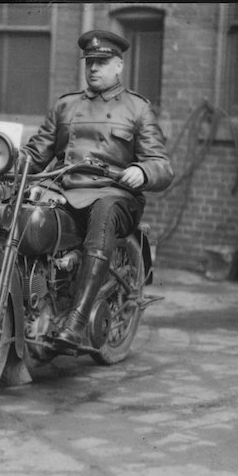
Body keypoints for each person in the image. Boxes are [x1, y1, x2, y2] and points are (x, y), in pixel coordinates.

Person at [26, 30, 175, 347]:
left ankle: (76, 321)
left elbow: (163, 166)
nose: (94, 67)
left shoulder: (137, 109)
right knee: (28, 216)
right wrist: (3, 161)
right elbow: (35, 155)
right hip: (67, 195)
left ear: (119, 66)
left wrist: (141, 170)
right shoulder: (66, 106)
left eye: (102, 62)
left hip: (116, 198)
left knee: (104, 212)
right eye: (90, 62)